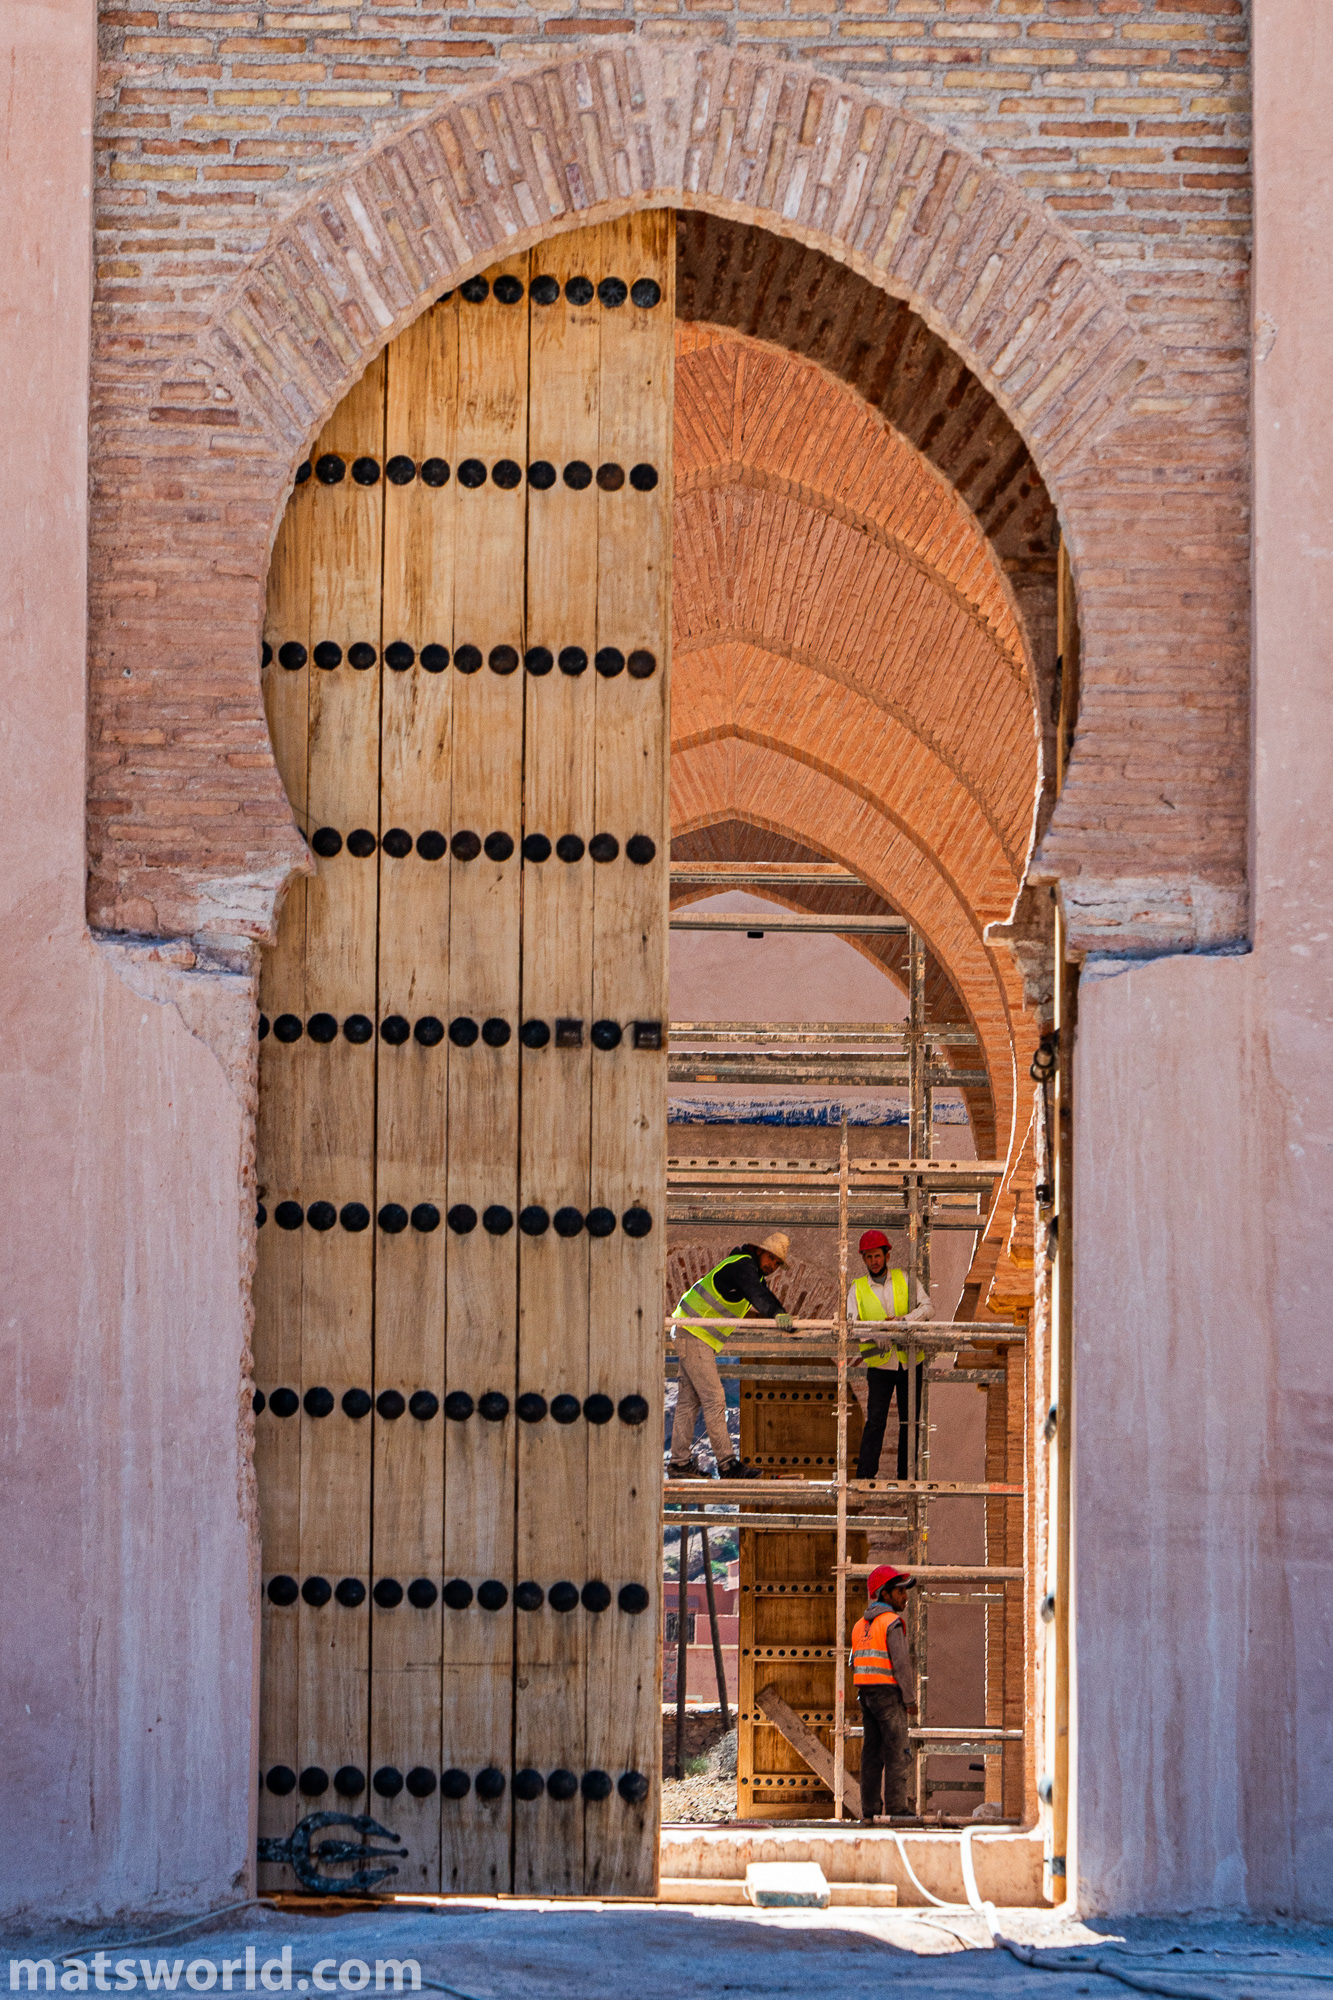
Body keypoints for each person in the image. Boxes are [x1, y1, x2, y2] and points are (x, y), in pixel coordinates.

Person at [668, 1235, 793, 1480]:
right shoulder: (743, 1266)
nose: (773, 1266)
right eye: (771, 1258)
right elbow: (759, 1295)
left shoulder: (749, 1270)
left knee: (689, 1402)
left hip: (690, 1330)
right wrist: (778, 1314)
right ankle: (726, 1465)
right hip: (693, 1331)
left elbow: (763, 1294)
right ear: (759, 1251)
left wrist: (780, 1313)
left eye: (778, 1263)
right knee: (714, 1399)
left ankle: (679, 1463)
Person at [848, 1228, 932, 1481]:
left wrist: (903, 1321)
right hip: (880, 1365)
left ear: (886, 1255)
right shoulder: (858, 1288)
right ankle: (865, 1475)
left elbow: (928, 1307)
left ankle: (906, 1477)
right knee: (875, 1421)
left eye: (877, 1255)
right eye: (868, 1257)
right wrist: (876, 1333)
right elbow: (851, 1323)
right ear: (863, 1259)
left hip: (910, 1362)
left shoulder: (905, 1279)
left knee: (910, 1422)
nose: (873, 1261)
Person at [851, 1564, 918, 1822]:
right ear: (884, 1594)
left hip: (866, 1695)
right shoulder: (891, 1623)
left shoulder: (861, 1625)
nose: (905, 1596)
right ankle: (897, 1810)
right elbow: (901, 1664)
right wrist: (909, 1699)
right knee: (898, 1752)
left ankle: (869, 1811)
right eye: (900, 1591)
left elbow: (855, 1661)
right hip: (889, 1695)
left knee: (871, 1754)